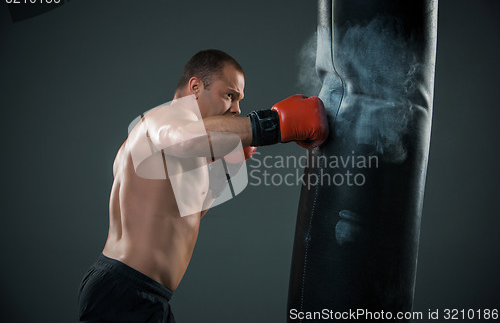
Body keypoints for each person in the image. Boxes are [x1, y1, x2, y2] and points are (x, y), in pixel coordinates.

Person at [78, 49, 329, 322]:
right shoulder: (166, 119)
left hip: (147, 295)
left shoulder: (183, 149)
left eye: (239, 99)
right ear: (195, 87)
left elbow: (189, 215)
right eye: (230, 95)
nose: (236, 108)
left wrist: (227, 169)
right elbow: (184, 138)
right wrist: (274, 125)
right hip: (125, 291)